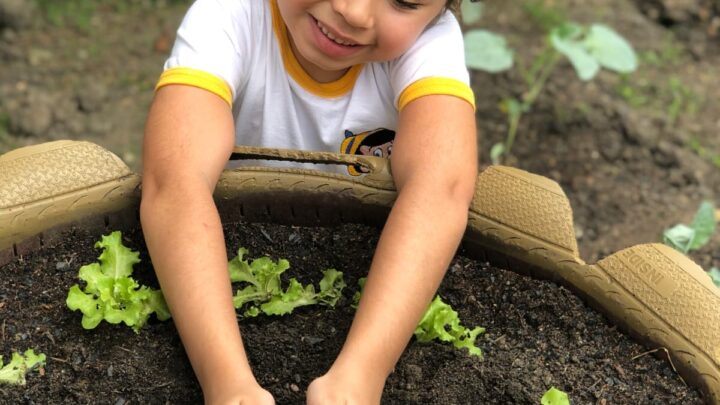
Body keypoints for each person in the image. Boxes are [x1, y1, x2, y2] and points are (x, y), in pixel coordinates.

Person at [140, 0, 477, 403]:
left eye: (403, 1)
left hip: (365, 255)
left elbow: (441, 188)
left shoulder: (429, 43)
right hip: (217, 247)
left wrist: (360, 377)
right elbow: (173, 180)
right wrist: (227, 384)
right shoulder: (230, 13)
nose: (353, 12)